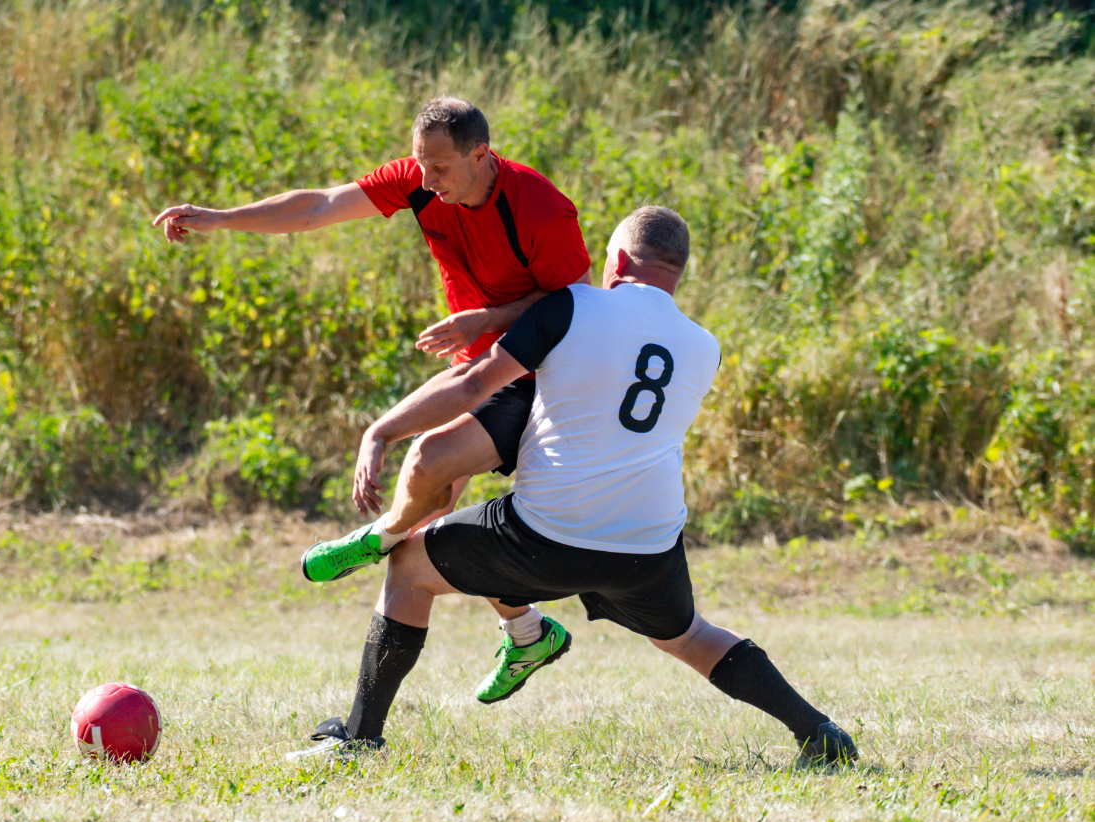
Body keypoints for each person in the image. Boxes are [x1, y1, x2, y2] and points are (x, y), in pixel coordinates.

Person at [285, 206, 858, 767]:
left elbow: (472, 387)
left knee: (411, 564)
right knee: (689, 637)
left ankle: (359, 737)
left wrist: (383, 431)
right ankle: (820, 732)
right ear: (677, 271)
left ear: (618, 259)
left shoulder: (571, 306)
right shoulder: (703, 347)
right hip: (649, 544)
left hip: (548, 533)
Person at [153, 97, 591, 703]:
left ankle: (381, 537)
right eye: (420, 166)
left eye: (439, 169)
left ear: (481, 155)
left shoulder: (539, 208)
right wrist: (221, 218)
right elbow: (320, 207)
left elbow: (576, 302)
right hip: (478, 367)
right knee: (431, 519)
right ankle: (524, 631)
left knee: (429, 469)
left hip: (541, 371)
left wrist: (487, 318)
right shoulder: (418, 180)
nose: (426, 181)